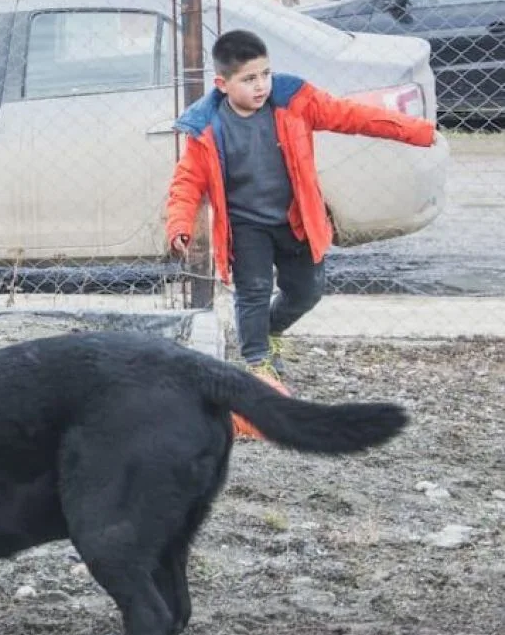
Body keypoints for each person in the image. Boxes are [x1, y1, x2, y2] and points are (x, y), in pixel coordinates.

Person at [165, 29, 436, 412]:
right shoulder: (206, 127)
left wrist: (417, 131)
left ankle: (271, 330)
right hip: (246, 227)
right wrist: (179, 224)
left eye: (265, 74)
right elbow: (186, 183)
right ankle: (258, 365)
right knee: (253, 292)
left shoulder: (294, 101)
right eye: (249, 79)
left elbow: (353, 116)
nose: (261, 86)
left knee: (307, 291)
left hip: (296, 220)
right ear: (222, 84)